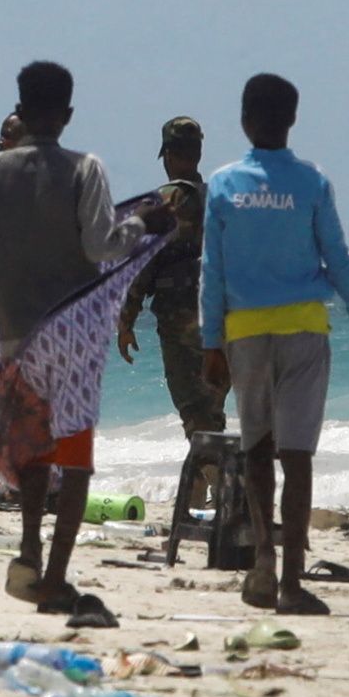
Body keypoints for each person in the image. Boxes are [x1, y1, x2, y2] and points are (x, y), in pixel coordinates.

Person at [0, 64, 121, 612]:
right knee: (75, 452)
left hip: (20, 333)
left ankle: (29, 549)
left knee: (35, 451)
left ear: (20, 106)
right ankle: (56, 578)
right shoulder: (87, 169)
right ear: (66, 115)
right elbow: (104, 244)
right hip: (78, 335)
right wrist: (144, 228)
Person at [197, 71, 349, 616]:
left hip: (246, 334)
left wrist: (211, 343)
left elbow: (213, 270)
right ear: (293, 119)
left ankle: (262, 565)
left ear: (244, 120)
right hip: (305, 328)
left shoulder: (225, 185)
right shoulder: (311, 182)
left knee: (257, 449)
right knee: (297, 455)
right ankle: (293, 582)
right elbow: (338, 259)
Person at [115, 116, 231, 562]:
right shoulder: (221, 198)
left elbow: (142, 263)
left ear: (168, 155)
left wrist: (126, 319)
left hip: (182, 321)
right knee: (213, 414)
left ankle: (213, 502)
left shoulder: (165, 201)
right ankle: (213, 501)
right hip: (227, 318)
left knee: (194, 413)